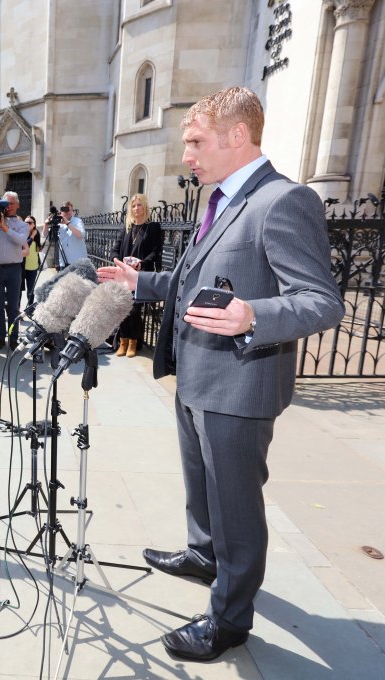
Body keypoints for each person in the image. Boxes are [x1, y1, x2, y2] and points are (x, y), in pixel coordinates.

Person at [98, 87, 344, 662]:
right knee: (201, 486)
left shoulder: (283, 201)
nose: (186, 155)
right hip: (197, 378)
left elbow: (322, 301)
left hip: (239, 387)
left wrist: (253, 315)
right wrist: (140, 284)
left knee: (236, 505)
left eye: (194, 142)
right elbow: (190, 280)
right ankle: (203, 554)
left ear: (238, 136)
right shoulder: (221, 200)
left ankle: (230, 618)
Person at [108, 194, 163, 358]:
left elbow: (156, 251)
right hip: (124, 275)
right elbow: (115, 249)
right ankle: (122, 342)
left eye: (139, 205)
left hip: (140, 276)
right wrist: (117, 261)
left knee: (135, 310)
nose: (136, 208)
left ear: (145, 207)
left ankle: (133, 342)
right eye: (133, 206)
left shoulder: (152, 227)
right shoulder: (126, 227)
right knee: (122, 309)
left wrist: (141, 263)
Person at [0, 191, 29, 350]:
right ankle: (0, 337)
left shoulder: (22, 225)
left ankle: (14, 338)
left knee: (13, 306)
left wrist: (4, 227)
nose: (8, 207)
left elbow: (21, 240)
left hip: (14, 269)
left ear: (17, 205)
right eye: (5, 203)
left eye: (10, 204)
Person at [44, 201, 86, 271]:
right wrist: (46, 225)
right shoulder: (59, 223)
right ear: (61, 211)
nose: (66, 212)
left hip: (77, 263)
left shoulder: (78, 221)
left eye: (68, 209)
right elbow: (47, 236)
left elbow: (81, 235)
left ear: (72, 211)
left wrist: (67, 223)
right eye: (64, 209)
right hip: (63, 263)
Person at [22, 216, 42, 308]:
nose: (27, 224)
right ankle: (17, 310)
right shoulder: (22, 233)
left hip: (33, 267)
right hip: (22, 267)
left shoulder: (37, 234)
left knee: (31, 290)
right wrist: (32, 236)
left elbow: (38, 248)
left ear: (34, 224)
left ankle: (30, 309)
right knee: (18, 290)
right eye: (25, 222)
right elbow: (25, 246)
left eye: (30, 223)